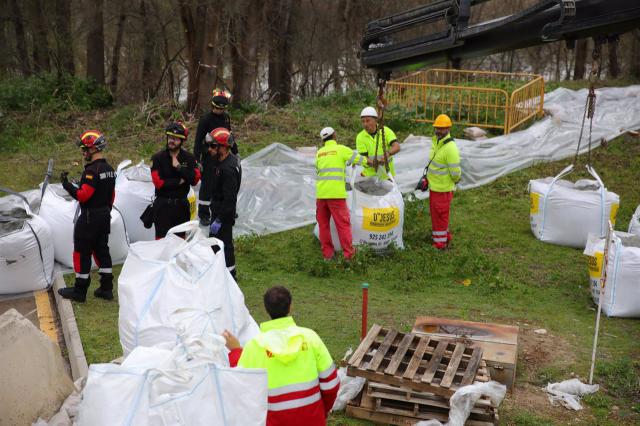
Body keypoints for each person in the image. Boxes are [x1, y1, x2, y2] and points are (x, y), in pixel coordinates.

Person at [223, 286, 340, 426]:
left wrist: (236, 351)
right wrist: (322, 412)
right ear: (290, 307)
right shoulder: (310, 337)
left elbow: (242, 383)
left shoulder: (255, 346)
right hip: (312, 420)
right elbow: (331, 385)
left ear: (266, 309)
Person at [58, 130, 116, 302]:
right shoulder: (110, 169)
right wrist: (105, 211)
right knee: (102, 250)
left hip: (90, 217)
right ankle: (106, 288)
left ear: (94, 149)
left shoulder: (91, 171)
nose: (83, 153)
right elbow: (112, 196)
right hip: (105, 215)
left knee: (81, 252)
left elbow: (83, 195)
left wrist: (67, 185)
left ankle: (79, 291)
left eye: (85, 149)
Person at [316, 127, 370, 260]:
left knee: (323, 225)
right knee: (343, 225)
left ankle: (328, 255)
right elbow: (361, 160)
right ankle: (348, 255)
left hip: (321, 195)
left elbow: (318, 170)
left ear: (323, 139)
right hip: (336, 195)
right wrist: (373, 162)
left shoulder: (319, 153)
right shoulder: (341, 149)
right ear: (334, 135)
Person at [150, 122, 201, 239]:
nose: (171, 141)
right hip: (163, 206)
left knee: (180, 242)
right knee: (161, 242)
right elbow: (159, 184)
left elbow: (194, 180)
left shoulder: (189, 158)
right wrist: (179, 181)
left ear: (182, 141)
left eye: (176, 139)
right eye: (170, 137)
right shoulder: (157, 158)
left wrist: (179, 168)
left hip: (181, 207)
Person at [194, 88, 236, 226]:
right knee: (207, 186)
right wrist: (197, 159)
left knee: (225, 183)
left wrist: (236, 152)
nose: (220, 111)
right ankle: (204, 214)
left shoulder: (225, 117)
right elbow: (198, 140)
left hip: (224, 155)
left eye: (222, 109)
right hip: (210, 155)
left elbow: (229, 136)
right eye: (217, 109)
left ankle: (225, 209)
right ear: (213, 106)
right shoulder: (205, 119)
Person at [206, 127, 241, 279]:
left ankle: (230, 276)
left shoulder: (228, 169)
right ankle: (219, 275)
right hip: (219, 211)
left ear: (224, 148)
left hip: (223, 214)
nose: (210, 149)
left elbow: (230, 198)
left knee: (224, 246)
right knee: (216, 245)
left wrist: (219, 219)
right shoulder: (223, 161)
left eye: (213, 146)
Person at [427, 114, 461, 249]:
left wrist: (455, 180)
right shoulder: (436, 142)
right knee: (439, 216)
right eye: (437, 128)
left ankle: (440, 244)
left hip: (442, 189)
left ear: (448, 128)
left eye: (442, 129)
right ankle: (445, 236)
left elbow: (455, 172)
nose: (438, 131)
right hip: (435, 188)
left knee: (440, 216)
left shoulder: (450, 148)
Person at [356, 106, 400, 179]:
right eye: (363, 121)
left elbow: (397, 146)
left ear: (375, 120)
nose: (365, 124)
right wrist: (373, 163)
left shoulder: (385, 131)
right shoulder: (360, 137)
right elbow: (364, 157)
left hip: (387, 175)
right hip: (370, 177)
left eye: (368, 121)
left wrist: (387, 154)